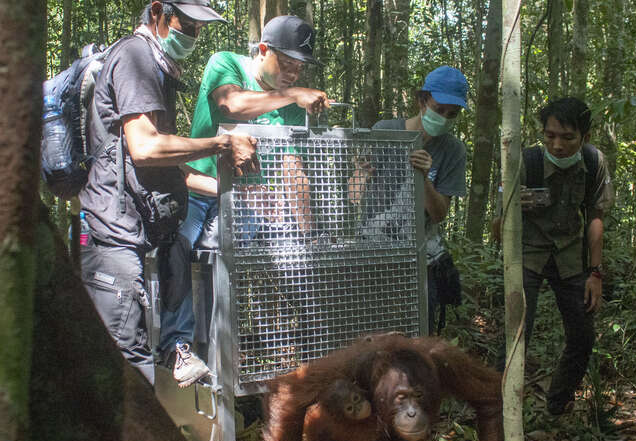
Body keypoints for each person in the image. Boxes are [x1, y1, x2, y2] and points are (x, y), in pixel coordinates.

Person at [79, 0, 259, 387]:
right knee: (128, 365)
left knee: (141, 352)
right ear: (159, 12)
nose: (192, 35)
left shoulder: (159, 68)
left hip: (138, 233)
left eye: (199, 29)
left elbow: (169, 166)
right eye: (187, 24)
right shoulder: (134, 56)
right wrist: (219, 144)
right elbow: (145, 148)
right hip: (112, 235)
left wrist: (226, 187)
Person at [157, 15, 331, 385]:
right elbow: (230, 105)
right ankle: (178, 346)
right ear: (263, 50)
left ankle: (306, 354)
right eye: (287, 64)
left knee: (284, 254)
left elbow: (292, 166)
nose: (293, 75)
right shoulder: (226, 63)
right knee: (178, 242)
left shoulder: (286, 103)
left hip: (248, 202)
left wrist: (309, 233)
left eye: (299, 70)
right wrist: (292, 95)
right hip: (197, 189)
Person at [494, 97, 615, 415]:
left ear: (584, 137)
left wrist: (596, 273)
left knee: (583, 336)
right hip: (528, 256)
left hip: (570, 256)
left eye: (567, 137)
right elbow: (496, 231)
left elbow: (595, 216)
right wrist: (510, 208)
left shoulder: (593, 161)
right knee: (517, 335)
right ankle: (500, 409)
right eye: (549, 136)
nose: (557, 145)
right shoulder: (524, 161)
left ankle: (558, 404)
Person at [360, 66, 468, 334]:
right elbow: (354, 196)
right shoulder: (385, 131)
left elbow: (440, 213)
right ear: (422, 101)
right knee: (370, 330)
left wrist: (424, 179)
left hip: (421, 257)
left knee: (420, 330)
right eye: (439, 109)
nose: (444, 118)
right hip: (374, 250)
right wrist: (360, 173)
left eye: (452, 114)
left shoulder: (453, 150)